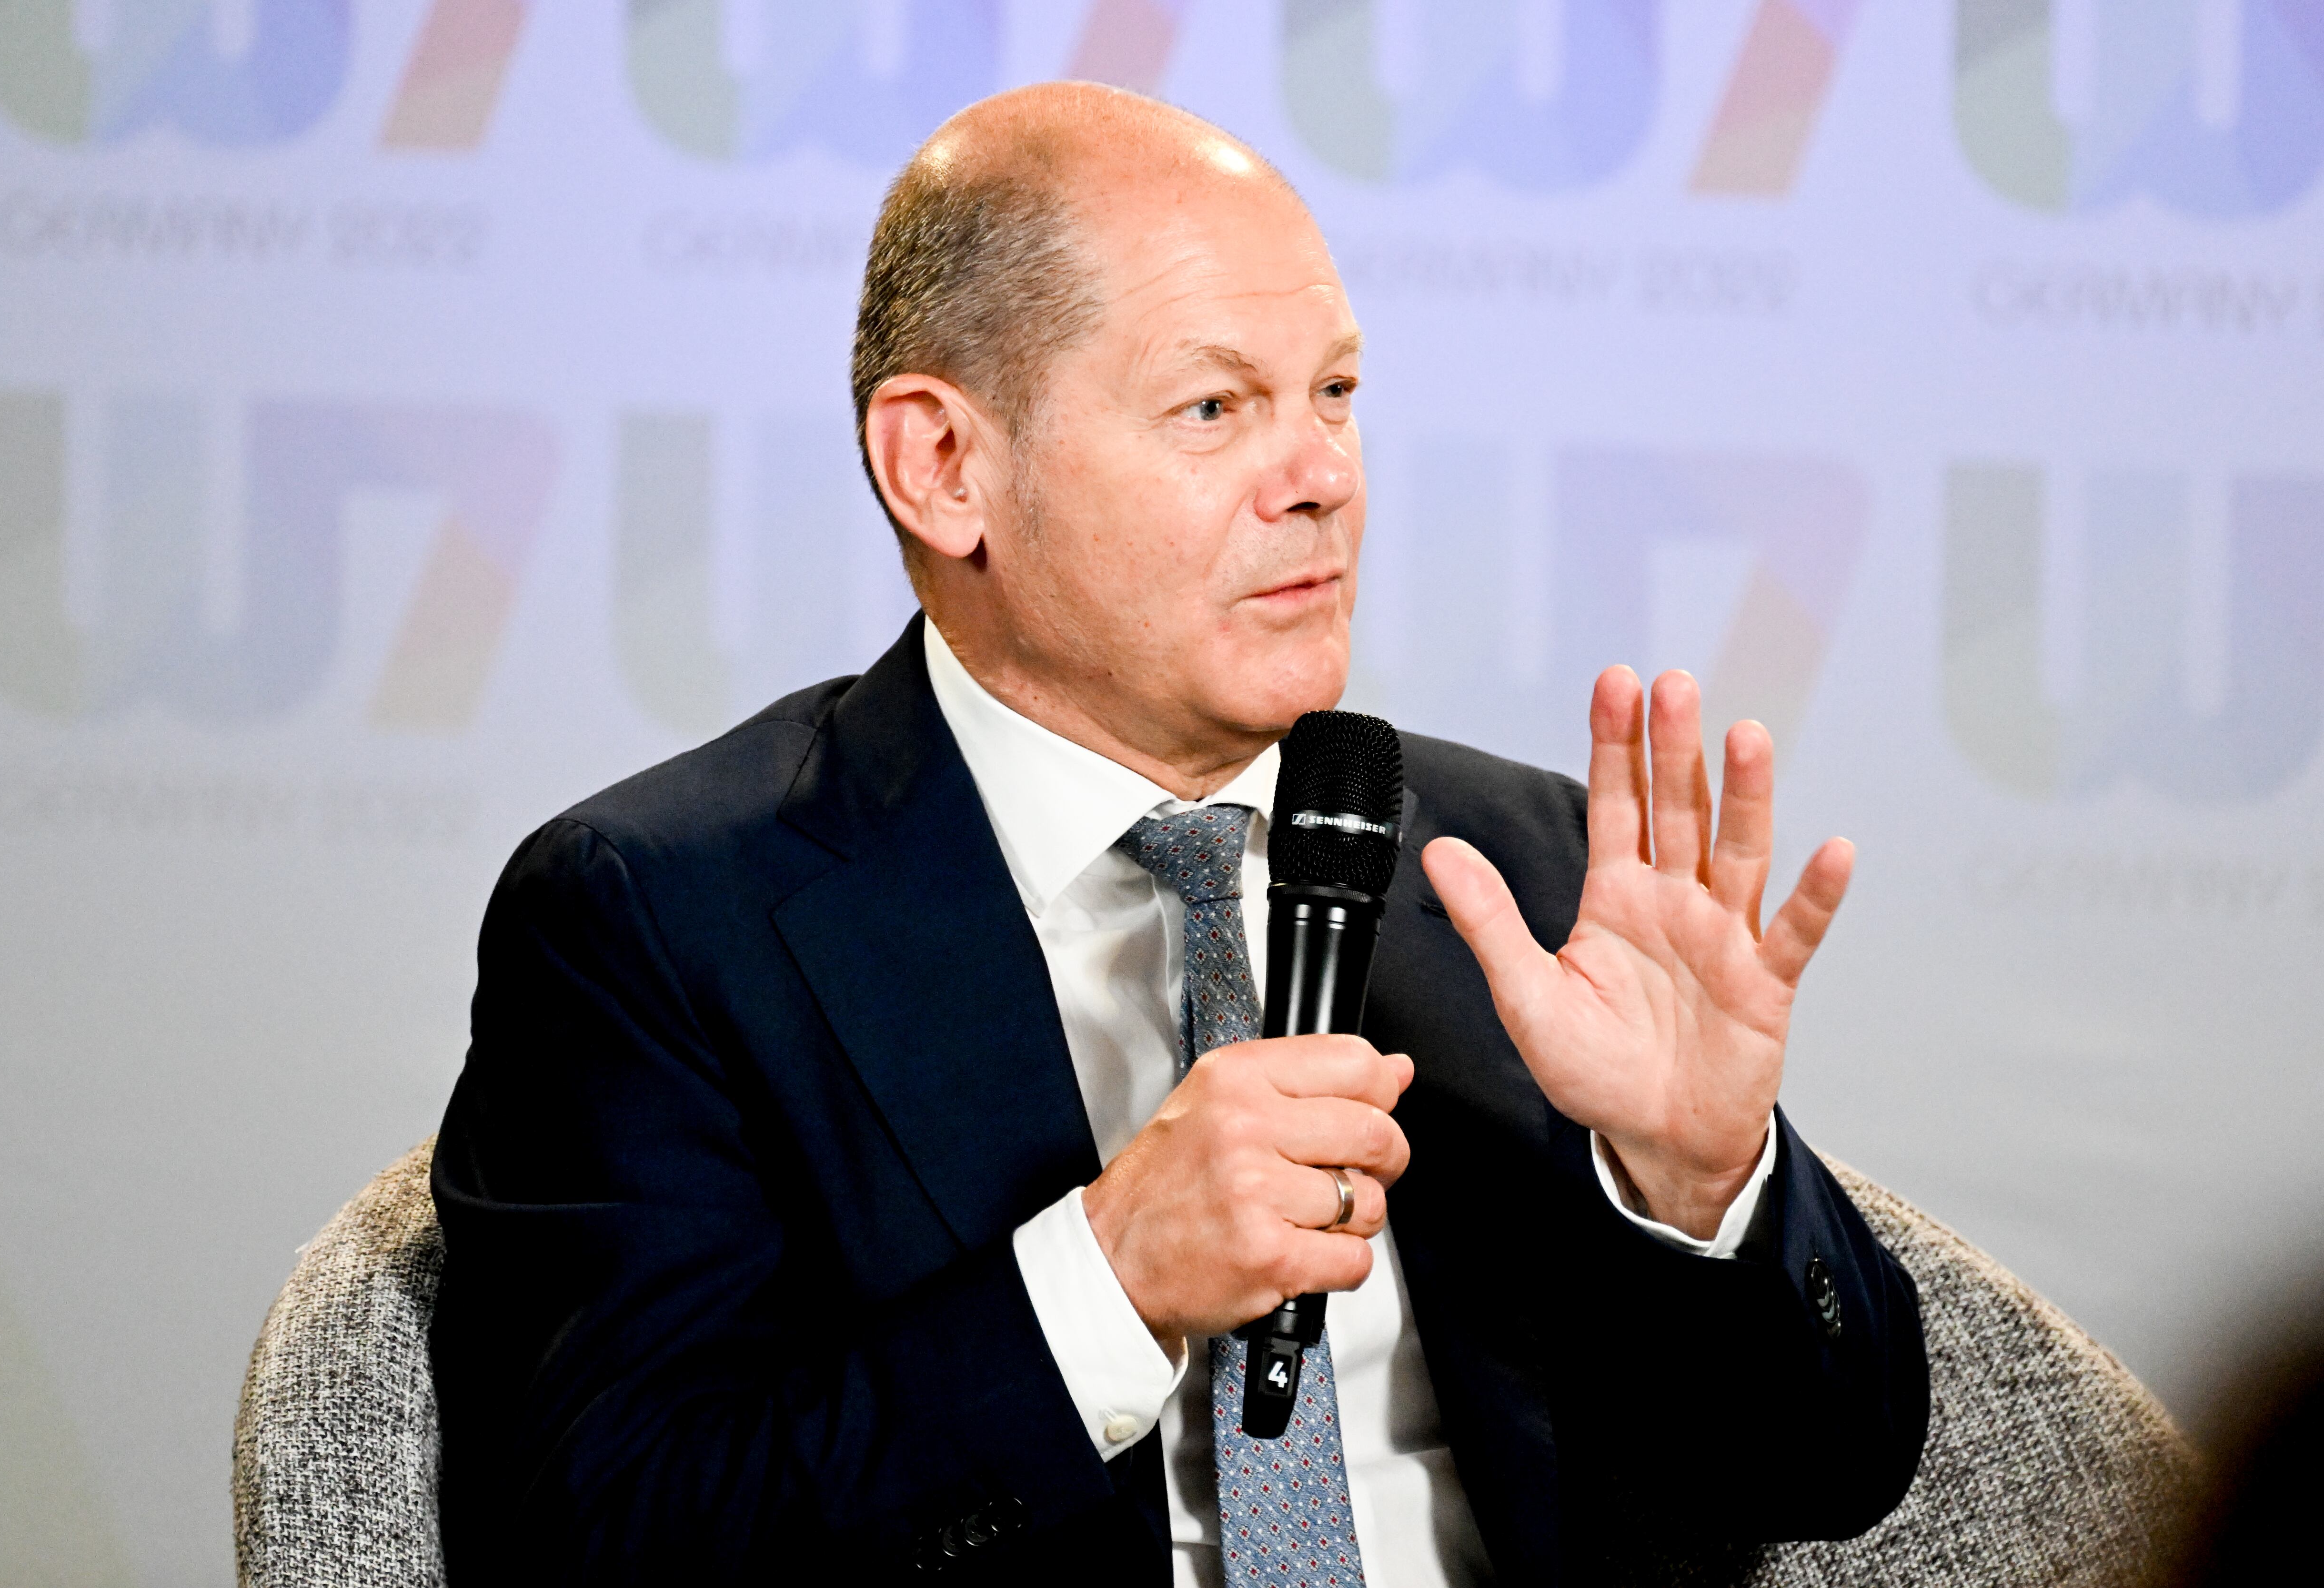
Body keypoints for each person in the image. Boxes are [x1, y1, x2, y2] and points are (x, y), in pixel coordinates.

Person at [431, 83, 1927, 1586]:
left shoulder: (1521, 872)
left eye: (1335, 395)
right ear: (944, 467)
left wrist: (1702, 1188)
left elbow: (1830, 1477)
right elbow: (597, 1539)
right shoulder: (659, 919)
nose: (1325, 480)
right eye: (1217, 408)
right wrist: (1107, 1280)